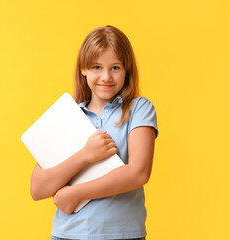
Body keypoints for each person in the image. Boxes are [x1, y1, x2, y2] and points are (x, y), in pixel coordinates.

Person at [30, 25, 158, 240]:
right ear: (83, 69)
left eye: (115, 67)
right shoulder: (67, 116)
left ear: (127, 70)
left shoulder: (138, 109)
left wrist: (75, 193)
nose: (106, 76)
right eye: (97, 67)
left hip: (122, 234)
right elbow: (38, 189)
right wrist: (85, 155)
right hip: (67, 234)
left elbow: (138, 172)